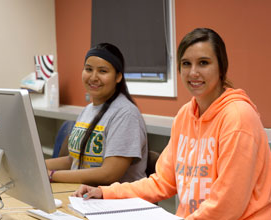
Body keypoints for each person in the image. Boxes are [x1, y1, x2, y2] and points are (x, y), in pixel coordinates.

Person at [73, 28, 271, 219]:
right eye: (186, 64)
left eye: (203, 63)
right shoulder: (185, 115)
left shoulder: (238, 117)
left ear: (221, 68)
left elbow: (228, 206)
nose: (193, 72)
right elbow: (162, 182)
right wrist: (105, 192)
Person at [45, 42, 148, 185]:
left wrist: (52, 176)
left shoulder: (126, 114)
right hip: (83, 195)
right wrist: (38, 166)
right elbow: (74, 160)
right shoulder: (87, 111)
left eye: (103, 71)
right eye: (88, 69)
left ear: (118, 77)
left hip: (115, 201)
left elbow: (109, 174)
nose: (93, 77)